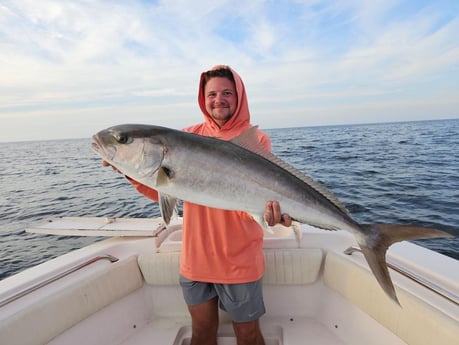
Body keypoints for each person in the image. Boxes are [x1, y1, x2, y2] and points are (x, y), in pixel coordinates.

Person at [103, 65, 291, 345]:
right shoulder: (187, 135)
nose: (219, 99)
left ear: (239, 96)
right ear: (203, 98)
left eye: (227, 92)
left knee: (248, 335)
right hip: (196, 259)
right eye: (212, 93)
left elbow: (252, 199)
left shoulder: (255, 140)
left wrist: (272, 214)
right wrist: (131, 172)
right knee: (201, 333)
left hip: (239, 260)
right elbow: (164, 191)